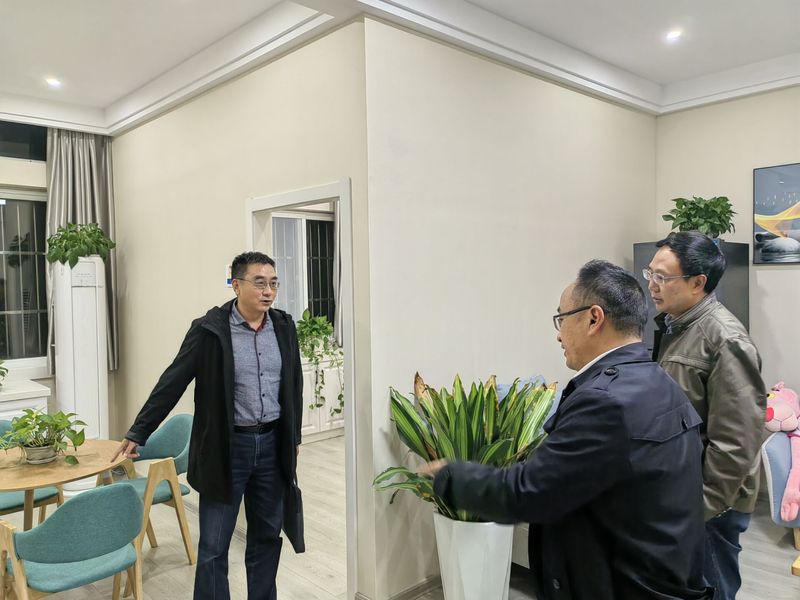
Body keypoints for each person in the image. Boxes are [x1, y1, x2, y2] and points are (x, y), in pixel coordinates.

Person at [423, 260, 710, 600]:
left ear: (593, 318)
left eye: (561, 318)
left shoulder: (605, 402)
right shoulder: (659, 381)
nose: (558, 335)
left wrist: (451, 478)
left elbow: (530, 493)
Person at [112, 251, 304, 600]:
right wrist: (139, 431)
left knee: (266, 538)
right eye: (259, 283)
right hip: (226, 449)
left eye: (274, 283)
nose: (268, 291)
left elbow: (294, 385)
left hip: (272, 447)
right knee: (215, 545)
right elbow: (172, 381)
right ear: (236, 285)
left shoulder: (284, 327)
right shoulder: (209, 330)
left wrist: (293, 438)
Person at [647, 231, 766, 600]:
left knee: (712, 589)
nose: (652, 285)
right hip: (681, 494)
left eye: (662, 277)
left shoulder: (725, 339)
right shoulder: (676, 326)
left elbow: (737, 442)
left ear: (698, 283)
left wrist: (703, 507)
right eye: (650, 273)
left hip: (710, 504)